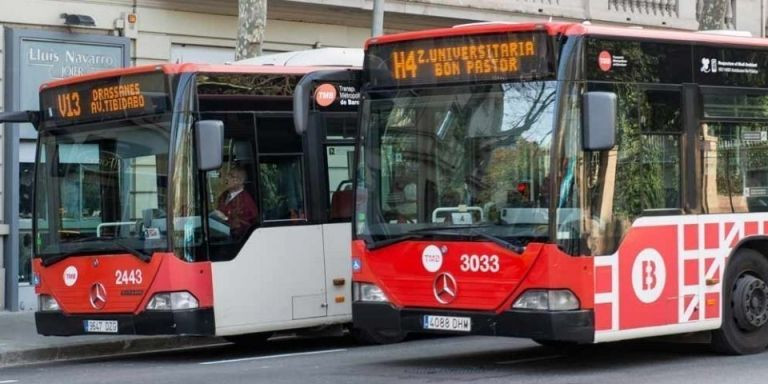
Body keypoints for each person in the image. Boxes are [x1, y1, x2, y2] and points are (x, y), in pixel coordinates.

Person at [211, 166, 259, 238]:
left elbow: (246, 227)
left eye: (231, 176)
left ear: (240, 181)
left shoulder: (246, 201)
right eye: (228, 175)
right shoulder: (223, 195)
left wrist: (225, 219)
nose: (227, 178)